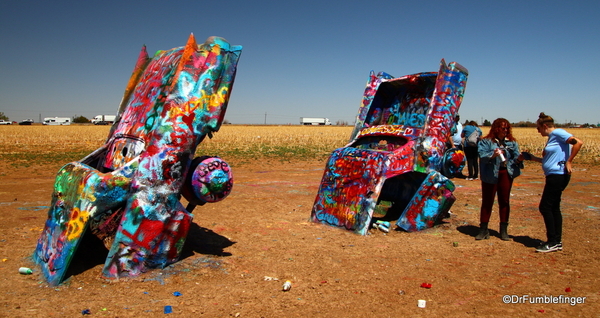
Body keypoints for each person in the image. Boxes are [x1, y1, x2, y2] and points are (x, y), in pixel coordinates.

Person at [523, 112, 583, 253]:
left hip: (558, 175)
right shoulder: (552, 138)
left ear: (544, 126)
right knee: (554, 207)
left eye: (538, 128)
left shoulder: (558, 133)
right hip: (553, 174)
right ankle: (556, 241)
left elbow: (578, 143)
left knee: (545, 207)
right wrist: (532, 158)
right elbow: (550, 160)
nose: (538, 131)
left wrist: (569, 161)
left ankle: (553, 241)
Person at [475, 118, 523, 241]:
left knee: (504, 201)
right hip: (490, 174)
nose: (505, 131)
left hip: (506, 173)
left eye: (507, 128)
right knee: (487, 201)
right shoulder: (486, 142)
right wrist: (493, 155)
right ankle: (483, 230)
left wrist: (519, 159)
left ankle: (503, 230)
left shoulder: (512, 143)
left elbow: (516, 158)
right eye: (503, 128)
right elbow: (482, 155)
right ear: (496, 129)